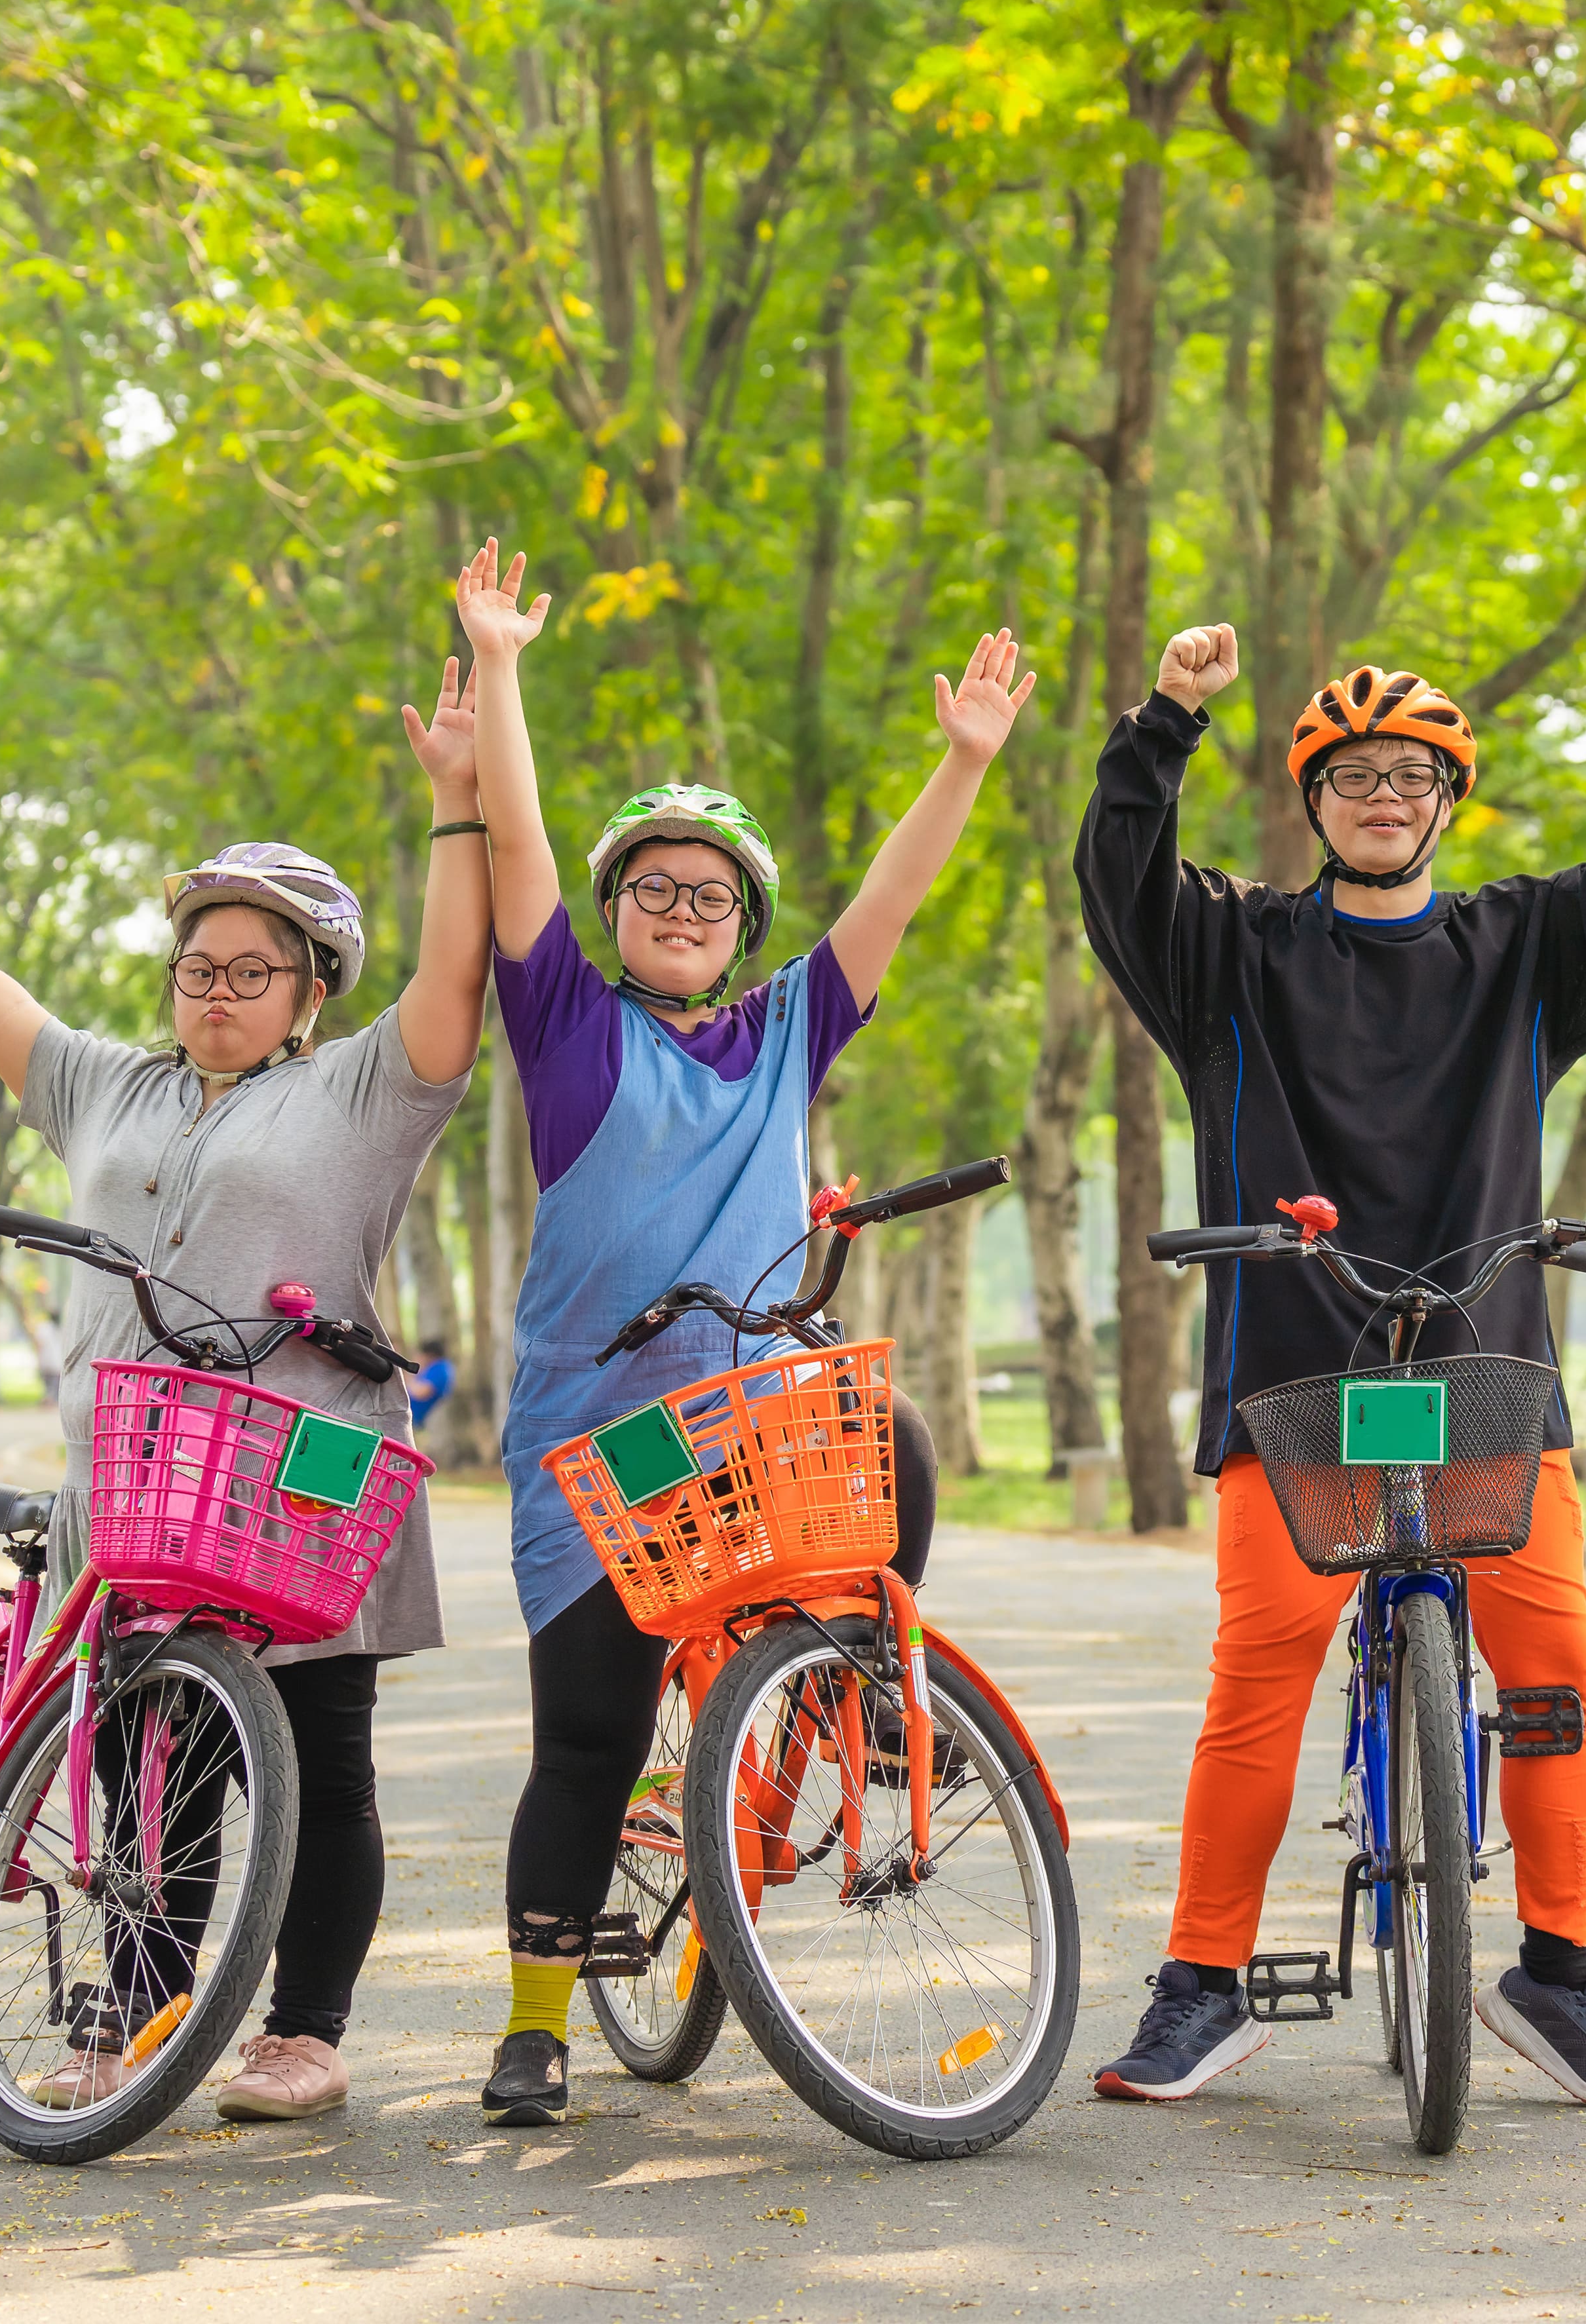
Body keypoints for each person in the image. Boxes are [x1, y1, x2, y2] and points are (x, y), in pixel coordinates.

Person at [0, 650, 495, 2126]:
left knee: (322, 1759)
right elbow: (1, 1007)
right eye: (198, 966)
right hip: (138, 1483)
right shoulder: (112, 1085)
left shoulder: (362, 1092)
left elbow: (454, 972)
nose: (217, 990)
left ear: (308, 991)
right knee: (147, 1768)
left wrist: (457, 806)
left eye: (252, 970)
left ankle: (304, 2033)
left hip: (303, 1464)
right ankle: (140, 2018)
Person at [1075, 617, 1586, 2111]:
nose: (1382, 794)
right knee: (1260, 1676)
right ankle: (1200, 1986)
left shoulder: (1521, 951)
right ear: (1316, 800)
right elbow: (1121, 881)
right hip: (1295, 1370)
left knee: (1553, 1667)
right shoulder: (1230, 953)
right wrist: (1167, 718)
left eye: (1411, 774)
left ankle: (1562, 1977)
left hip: (1489, 1361)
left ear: (1448, 799)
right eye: (1354, 773)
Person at [452, 536, 1034, 2127]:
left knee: (894, 1437)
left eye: (711, 895)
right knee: (586, 1733)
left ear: (745, 919)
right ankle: (536, 2020)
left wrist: (962, 763)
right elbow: (513, 852)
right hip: (597, 1432)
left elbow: (894, 899)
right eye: (654, 889)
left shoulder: (790, 1025)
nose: (682, 910)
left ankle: (859, 1698)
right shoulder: (567, 1019)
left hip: (749, 1403)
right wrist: (499, 668)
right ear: (620, 910)